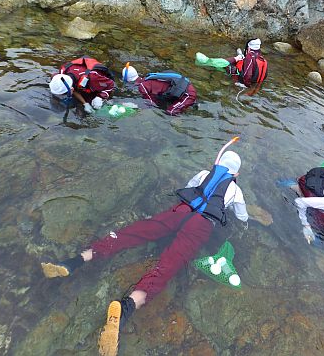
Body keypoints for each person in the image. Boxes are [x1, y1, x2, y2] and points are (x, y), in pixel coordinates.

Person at [40, 141, 248, 349]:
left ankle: (76, 261)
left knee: (135, 232)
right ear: (236, 175)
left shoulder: (204, 173)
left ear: (218, 164)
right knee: (168, 264)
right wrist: (245, 226)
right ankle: (127, 307)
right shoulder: (236, 191)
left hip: (180, 212)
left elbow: (190, 188)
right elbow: (242, 217)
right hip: (201, 224)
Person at [121, 64, 197, 116]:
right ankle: (189, 106)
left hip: (188, 95)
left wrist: (135, 107)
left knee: (170, 112)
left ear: (128, 80)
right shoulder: (149, 77)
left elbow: (150, 103)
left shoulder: (142, 86)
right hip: (188, 87)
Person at [49, 56, 115, 114]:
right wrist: (85, 103)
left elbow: (111, 84)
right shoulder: (61, 73)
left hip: (100, 81)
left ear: (71, 89)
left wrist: (100, 97)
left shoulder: (93, 78)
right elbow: (74, 89)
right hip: (80, 80)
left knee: (89, 109)